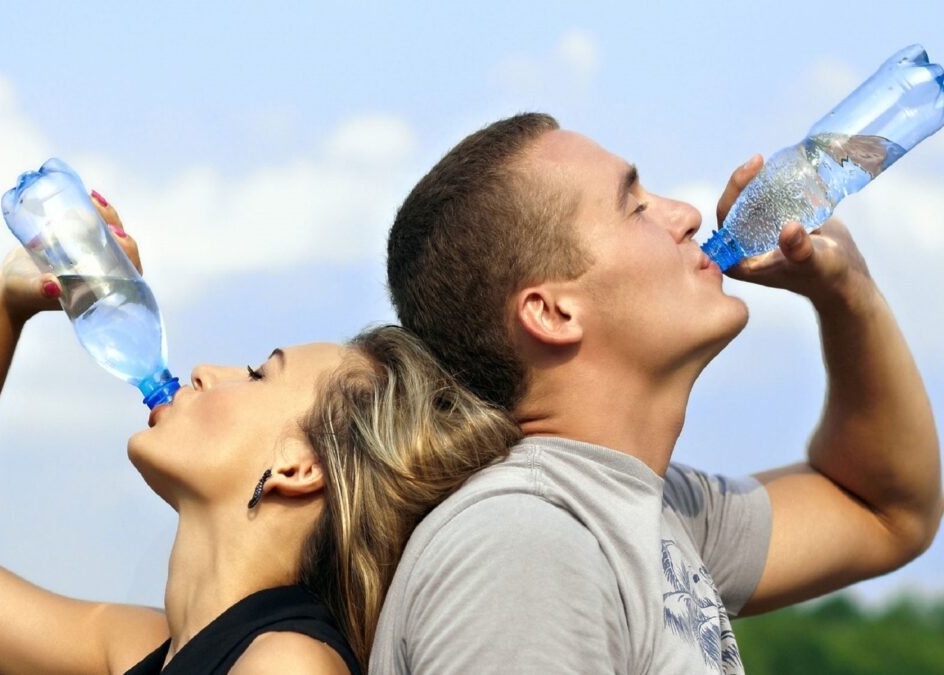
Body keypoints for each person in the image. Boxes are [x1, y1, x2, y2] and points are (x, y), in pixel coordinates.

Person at [371, 113, 943, 673]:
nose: (690, 215)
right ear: (552, 312)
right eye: (636, 206)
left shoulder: (649, 511)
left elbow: (888, 511)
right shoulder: (524, 547)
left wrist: (846, 288)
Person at [0, 196, 521, 674]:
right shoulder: (143, 651)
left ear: (298, 465)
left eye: (261, 373)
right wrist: (2, 305)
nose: (206, 371)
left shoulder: (287, 664)